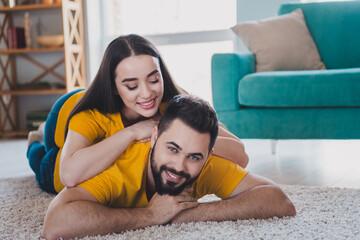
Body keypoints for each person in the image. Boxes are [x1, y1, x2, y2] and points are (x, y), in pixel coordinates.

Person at [42, 95, 295, 239]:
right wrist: (150, 216)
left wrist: (191, 213)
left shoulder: (205, 164)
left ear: (208, 156)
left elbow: (280, 201)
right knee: (43, 158)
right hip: (68, 117)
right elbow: (55, 223)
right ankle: (37, 135)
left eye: (195, 157)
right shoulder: (120, 168)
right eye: (172, 149)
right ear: (153, 138)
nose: (179, 166)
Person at [27, 34, 249, 194]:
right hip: (64, 114)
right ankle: (34, 137)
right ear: (114, 87)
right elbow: (69, 175)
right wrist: (132, 132)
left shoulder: (173, 104)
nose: (147, 93)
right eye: (132, 85)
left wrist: (177, 137)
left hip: (86, 109)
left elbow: (241, 155)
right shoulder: (92, 116)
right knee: (41, 156)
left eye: (154, 79)